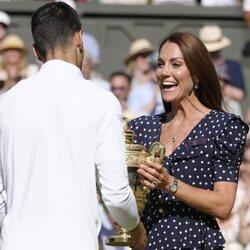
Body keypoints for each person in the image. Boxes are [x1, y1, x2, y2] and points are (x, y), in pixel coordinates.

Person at [0, 2, 147, 250]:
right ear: (79, 38)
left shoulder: (6, 103)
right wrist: (136, 228)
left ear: (36, 51)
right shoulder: (102, 101)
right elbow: (116, 194)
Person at [128, 31, 249, 249]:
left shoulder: (223, 127)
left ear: (197, 74)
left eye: (176, 64)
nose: (164, 72)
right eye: (160, 64)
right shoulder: (142, 128)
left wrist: (169, 184)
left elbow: (223, 205)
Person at [199, 25, 246, 118]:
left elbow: (240, 94)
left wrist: (223, 86)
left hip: (229, 108)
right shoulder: (198, 66)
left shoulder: (232, 65)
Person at [125, 38, 164, 117]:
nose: (148, 59)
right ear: (134, 60)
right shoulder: (129, 84)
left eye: (150, 55)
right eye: (143, 56)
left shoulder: (159, 80)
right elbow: (133, 115)